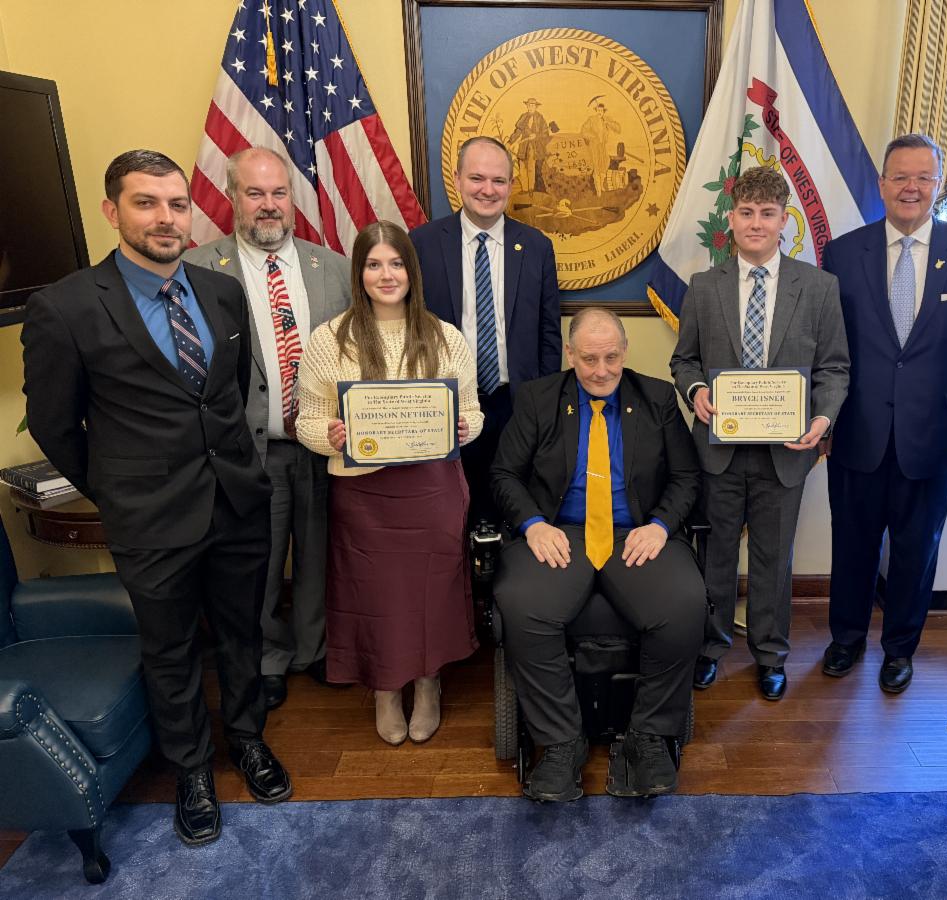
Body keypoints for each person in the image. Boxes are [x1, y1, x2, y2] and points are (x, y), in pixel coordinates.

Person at [21, 150, 291, 847]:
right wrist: (117, 490)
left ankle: (247, 740)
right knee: (170, 651)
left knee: (242, 635)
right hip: (149, 517)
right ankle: (193, 771)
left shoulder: (221, 292)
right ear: (112, 211)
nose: (165, 218)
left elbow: (227, 393)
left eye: (176, 204)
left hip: (236, 503)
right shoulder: (67, 306)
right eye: (147, 203)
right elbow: (55, 424)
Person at [491, 307, 705, 802]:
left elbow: (685, 478)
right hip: (561, 532)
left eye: (611, 357)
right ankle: (563, 744)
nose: (601, 370)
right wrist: (533, 524)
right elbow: (503, 475)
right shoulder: (539, 399)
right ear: (570, 354)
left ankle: (649, 736)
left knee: (685, 604)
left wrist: (659, 526)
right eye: (589, 358)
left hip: (636, 532)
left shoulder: (655, 398)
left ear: (625, 353)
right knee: (523, 606)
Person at [820, 134, 947, 693]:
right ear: (882, 184)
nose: (911, 188)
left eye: (923, 177)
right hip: (856, 431)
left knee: (917, 550)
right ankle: (845, 639)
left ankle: (900, 648)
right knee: (851, 545)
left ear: (939, 185)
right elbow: (828, 347)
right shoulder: (843, 253)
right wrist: (824, 417)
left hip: (937, 434)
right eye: (900, 177)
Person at [295, 220, 482, 745]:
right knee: (373, 595)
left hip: (431, 491)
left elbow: (471, 411)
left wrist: (465, 427)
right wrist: (330, 436)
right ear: (359, 273)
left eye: (395, 263)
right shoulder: (329, 340)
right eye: (374, 264)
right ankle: (383, 688)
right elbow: (306, 420)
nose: (386, 274)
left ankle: (427, 686)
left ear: (411, 270)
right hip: (364, 496)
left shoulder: (445, 337)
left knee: (431, 592)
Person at [670, 166, 850, 701]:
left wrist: (821, 421)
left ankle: (771, 654)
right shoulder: (705, 288)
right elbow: (684, 361)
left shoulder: (818, 288)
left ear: (783, 220)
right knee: (716, 555)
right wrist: (697, 390)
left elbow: (835, 368)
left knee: (775, 559)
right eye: (746, 213)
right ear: (731, 219)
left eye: (767, 214)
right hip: (719, 452)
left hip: (787, 453)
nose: (755, 223)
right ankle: (711, 646)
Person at [184, 147, 351, 710]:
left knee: (321, 555)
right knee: (258, 560)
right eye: (255, 194)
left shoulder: (332, 267)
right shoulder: (201, 270)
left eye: (279, 193)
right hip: (251, 449)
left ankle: (313, 649)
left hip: (324, 445)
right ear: (232, 197)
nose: (269, 205)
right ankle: (270, 657)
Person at [410, 136, 561, 529]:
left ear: (512, 186)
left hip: (516, 404)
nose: (488, 190)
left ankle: (507, 589)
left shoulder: (536, 247)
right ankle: (459, 589)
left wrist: (543, 404)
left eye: (499, 181)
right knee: (452, 508)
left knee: (511, 505)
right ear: (457, 179)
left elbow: (549, 333)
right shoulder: (422, 243)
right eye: (477, 178)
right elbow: (411, 329)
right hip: (449, 403)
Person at [507, 98, 550, 194]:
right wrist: (510, 142)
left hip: (534, 146)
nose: (530, 107)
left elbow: (546, 133)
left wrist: (536, 135)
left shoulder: (540, 118)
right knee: (522, 166)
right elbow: (518, 131)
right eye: (529, 105)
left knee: (531, 167)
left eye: (533, 105)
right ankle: (525, 189)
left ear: (536, 107)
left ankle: (531, 189)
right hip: (523, 145)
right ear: (527, 106)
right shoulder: (523, 117)